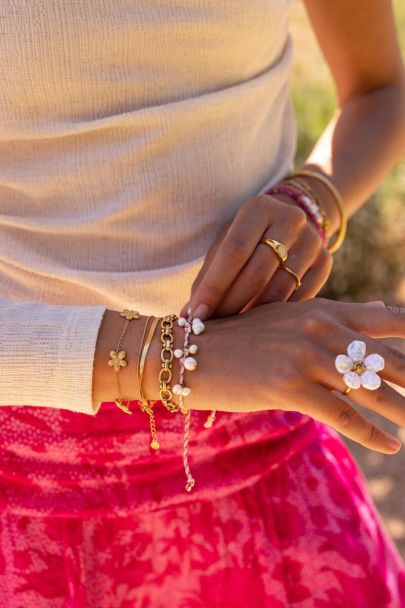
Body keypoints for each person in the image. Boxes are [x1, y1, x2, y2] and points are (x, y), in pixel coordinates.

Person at [0, 0, 404, 606]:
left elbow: (382, 89)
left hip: (261, 439)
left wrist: (315, 197)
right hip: (19, 487)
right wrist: (184, 359)